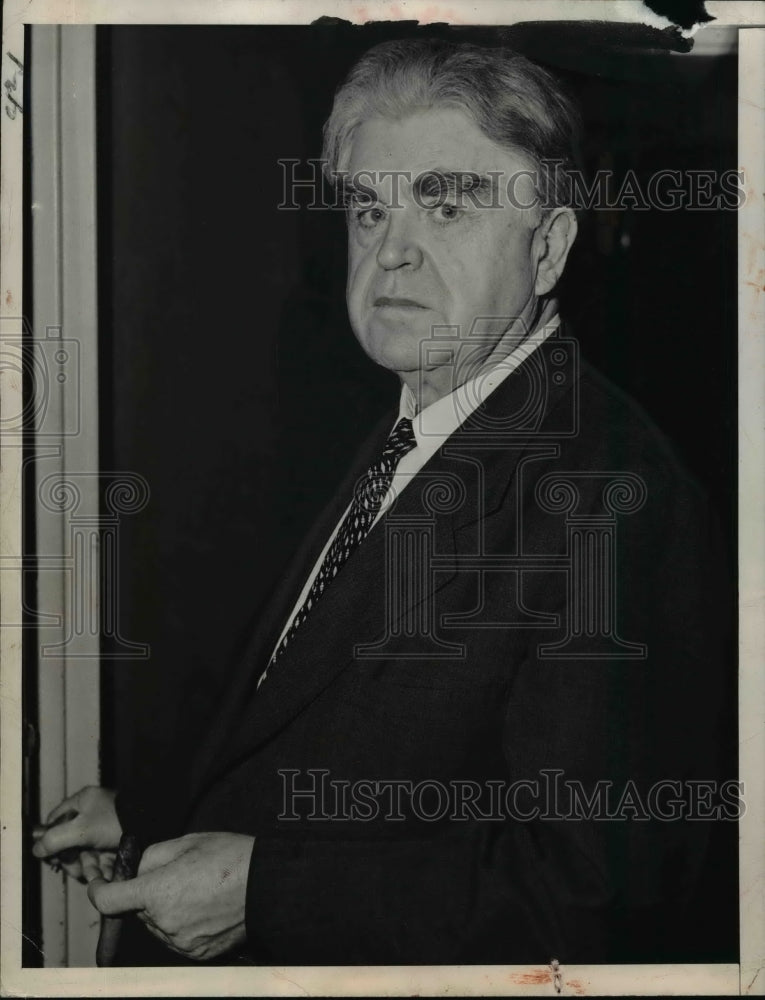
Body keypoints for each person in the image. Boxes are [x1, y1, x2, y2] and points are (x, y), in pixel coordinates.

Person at [33, 38, 729, 965]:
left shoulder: (616, 501)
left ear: (548, 247)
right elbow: (330, 720)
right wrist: (152, 813)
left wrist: (264, 893)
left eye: (446, 206)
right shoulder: (413, 414)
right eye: (369, 209)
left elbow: (595, 901)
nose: (391, 253)